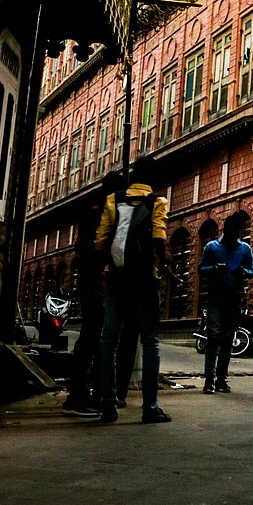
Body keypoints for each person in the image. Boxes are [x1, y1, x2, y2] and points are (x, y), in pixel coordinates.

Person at [94, 155, 171, 423]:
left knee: (108, 340)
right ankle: (150, 407)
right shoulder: (158, 201)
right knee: (150, 341)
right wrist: (165, 265)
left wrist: (107, 269)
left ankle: (107, 404)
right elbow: (158, 237)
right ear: (152, 178)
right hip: (145, 279)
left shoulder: (113, 200)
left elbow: (101, 240)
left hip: (116, 277)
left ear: (132, 175)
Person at [63, 171, 125, 417]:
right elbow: (85, 248)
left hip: (99, 282)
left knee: (98, 341)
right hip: (94, 283)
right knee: (90, 340)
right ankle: (77, 397)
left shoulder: (102, 213)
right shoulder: (96, 214)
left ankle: (95, 394)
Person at [198, 214, 253, 394]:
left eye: (236, 232)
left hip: (235, 299)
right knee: (213, 337)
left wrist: (243, 272)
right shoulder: (212, 247)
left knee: (227, 340)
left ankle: (221, 380)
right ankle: (209, 380)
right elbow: (201, 269)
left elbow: (251, 271)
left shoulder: (245, 249)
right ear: (225, 230)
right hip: (215, 299)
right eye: (231, 232)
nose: (233, 235)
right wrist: (214, 268)